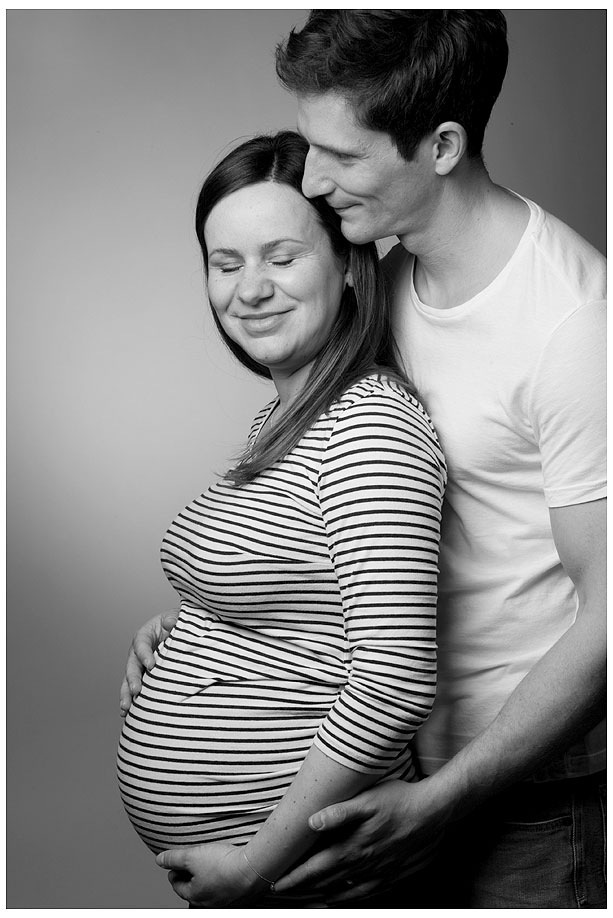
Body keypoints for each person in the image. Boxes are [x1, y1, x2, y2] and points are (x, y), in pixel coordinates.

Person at [121, 10, 606, 909]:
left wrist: (445, 798)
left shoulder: (573, 324)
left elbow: (610, 615)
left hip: (525, 798)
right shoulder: (383, 280)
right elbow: (353, 534)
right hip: (410, 769)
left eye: (340, 157)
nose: (310, 178)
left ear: (442, 145)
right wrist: (221, 630)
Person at [117, 129, 447, 908]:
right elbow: (312, 601)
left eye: (281, 256)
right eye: (224, 264)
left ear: (345, 263)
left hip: (309, 876)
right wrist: (196, 627)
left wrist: (256, 863)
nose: (249, 288)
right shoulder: (292, 415)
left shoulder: (367, 424)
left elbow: (394, 678)